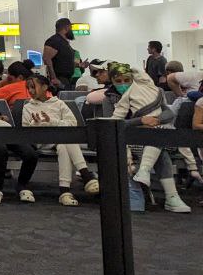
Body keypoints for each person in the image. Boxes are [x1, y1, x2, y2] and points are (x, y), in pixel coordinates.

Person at [109, 62, 192, 213]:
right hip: (128, 140)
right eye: (118, 81)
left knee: (157, 141)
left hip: (153, 134)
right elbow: (111, 125)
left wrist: (157, 120)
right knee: (160, 146)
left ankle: (146, 173)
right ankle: (171, 196)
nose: (123, 84)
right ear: (112, 81)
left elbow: (169, 114)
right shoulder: (108, 98)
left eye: (126, 80)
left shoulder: (150, 91)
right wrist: (140, 120)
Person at [19, 73, 98, 206]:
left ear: (45, 87)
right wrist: (36, 123)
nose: (31, 91)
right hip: (41, 142)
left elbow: (72, 123)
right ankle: (85, 176)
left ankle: (65, 192)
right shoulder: (28, 107)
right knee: (66, 140)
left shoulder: (59, 104)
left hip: (60, 140)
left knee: (63, 145)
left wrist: (51, 121)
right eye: (29, 88)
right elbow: (26, 130)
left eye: (33, 87)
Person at [44, 18, 83, 91]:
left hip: (66, 79)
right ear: (67, 27)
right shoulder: (54, 40)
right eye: (71, 28)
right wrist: (54, 78)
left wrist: (79, 65)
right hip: (59, 80)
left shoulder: (64, 42)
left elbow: (64, 62)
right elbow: (46, 59)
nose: (72, 30)